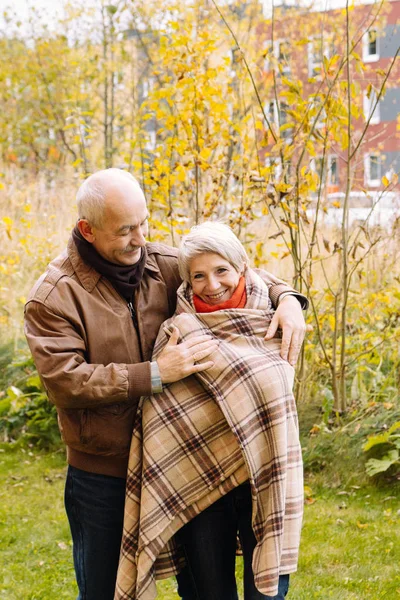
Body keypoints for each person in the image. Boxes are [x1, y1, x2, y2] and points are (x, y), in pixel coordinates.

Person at [24, 168, 307, 600]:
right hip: (105, 473)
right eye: (125, 230)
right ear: (88, 229)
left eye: (143, 223)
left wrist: (289, 300)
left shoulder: (164, 263)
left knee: (198, 586)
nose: (140, 238)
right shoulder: (53, 297)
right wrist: (156, 373)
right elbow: (65, 382)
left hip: (180, 458)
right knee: (106, 590)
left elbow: (236, 269)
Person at [116, 222, 305, 600]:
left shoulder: (275, 319)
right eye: (198, 276)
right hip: (195, 477)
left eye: (221, 271)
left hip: (264, 474)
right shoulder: (177, 331)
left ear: (242, 268)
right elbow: (161, 416)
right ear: (186, 280)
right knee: (208, 592)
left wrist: (288, 298)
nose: (212, 284)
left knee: (266, 595)